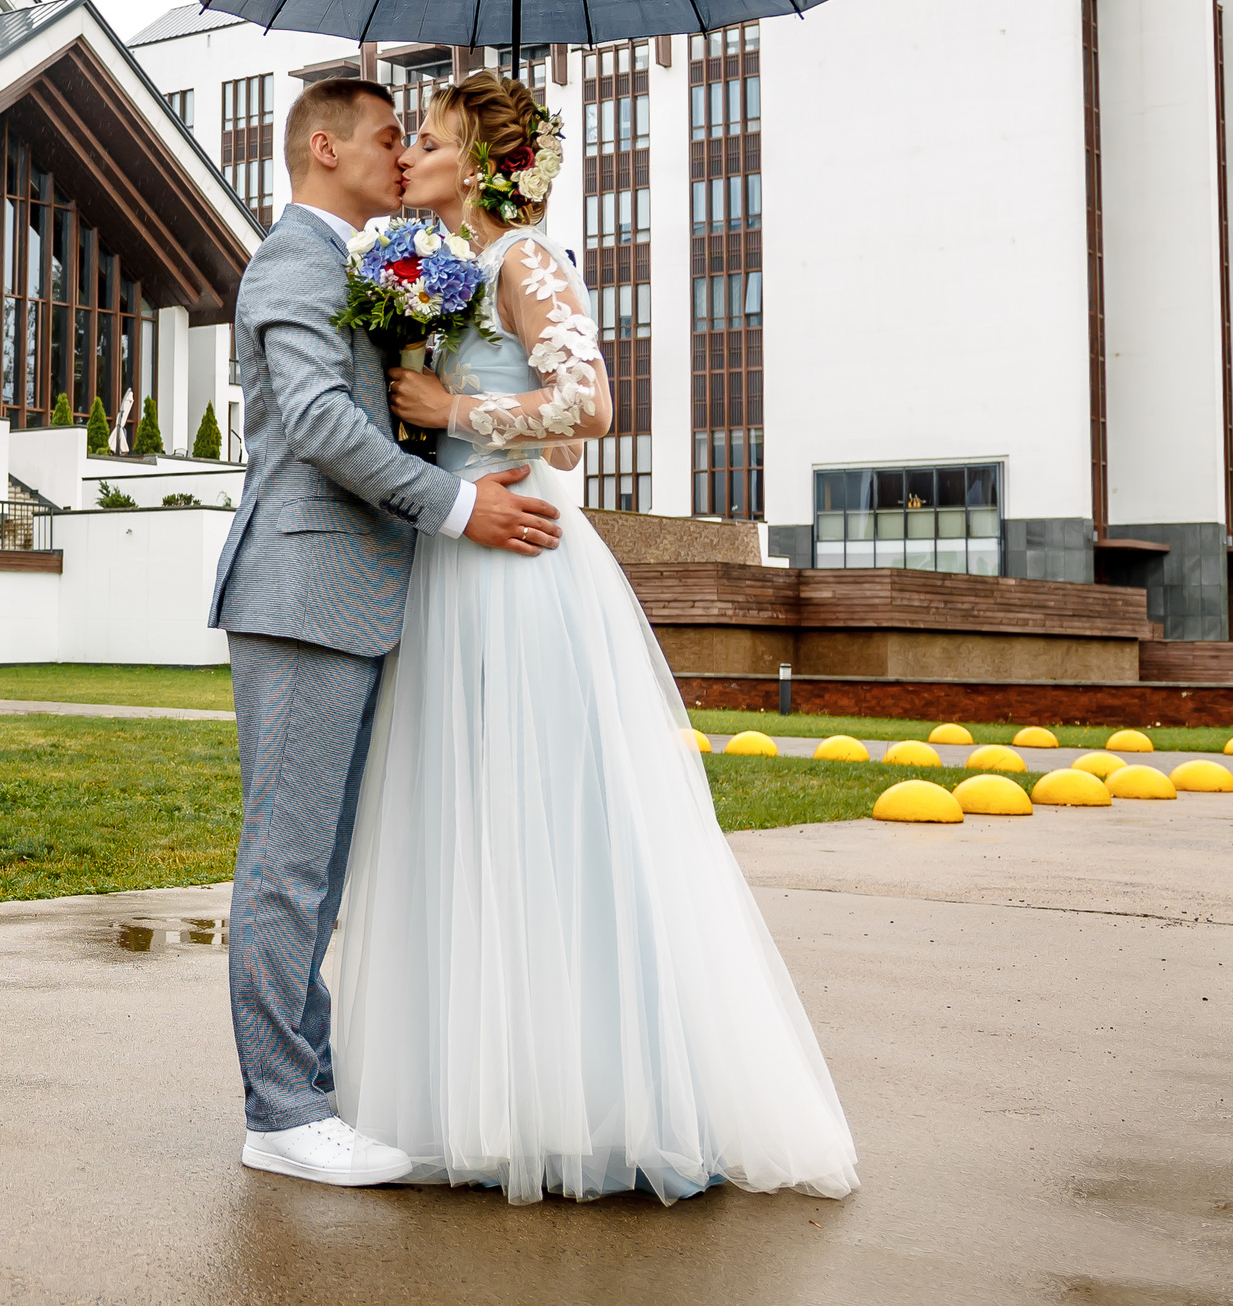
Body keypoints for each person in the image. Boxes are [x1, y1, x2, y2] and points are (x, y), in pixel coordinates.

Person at [335, 70, 859, 1204]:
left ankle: (590, 1094)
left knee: (547, 818)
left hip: (520, 575)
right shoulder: (441, 270)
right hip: (456, 556)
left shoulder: (525, 258)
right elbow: (557, 439)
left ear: (476, 161)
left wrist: (453, 414)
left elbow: (592, 410)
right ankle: (481, 1094)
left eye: (424, 139)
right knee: (462, 817)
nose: (407, 153)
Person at [207, 77, 563, 1188]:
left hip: (356, 595)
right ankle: (282, 1112)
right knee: (287, 866)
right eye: (384, 136)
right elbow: (315, 421)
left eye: (418, 138)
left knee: (319, 866)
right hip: (304, 587)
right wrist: (458, 504)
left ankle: (302, 1087)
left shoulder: (353, 263)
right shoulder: (294, 261)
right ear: (324, 146)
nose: (401, 153)